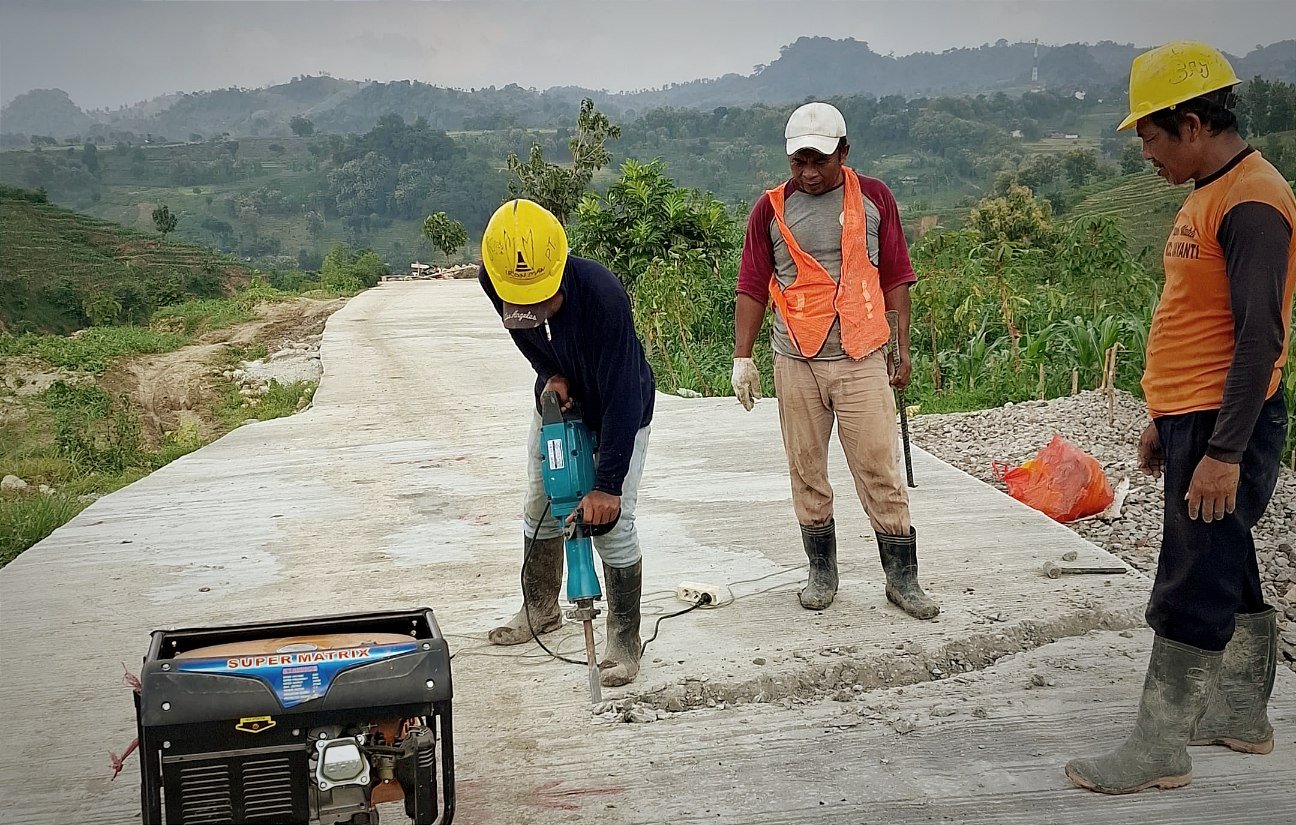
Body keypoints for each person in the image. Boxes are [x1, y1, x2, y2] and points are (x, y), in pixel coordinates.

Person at [1065, 41, 1295, 795]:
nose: (1147, 156)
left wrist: (1223, 449)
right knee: (1224, 555)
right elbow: (1198, 321)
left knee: (1191, 576)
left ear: (1192, 124)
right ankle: (1240, 714)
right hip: (1195, 415)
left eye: (1152, 138)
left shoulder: (1253, 200)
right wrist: (1166, 420)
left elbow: (1260, 336)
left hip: (1227, 420)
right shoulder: (1211, 190)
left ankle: (1159, 744)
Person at [731, 101, 938, 620]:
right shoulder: (770, 210)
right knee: (806, 469)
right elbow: (753, 285)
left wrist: (901, 347)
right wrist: (742, 357)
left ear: (843, 152)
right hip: (795, 359)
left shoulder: (874, 198)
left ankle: (902, 580)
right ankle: (822, 572)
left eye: (819, 161)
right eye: (798, 161)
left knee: (878, 469)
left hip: (862, 355)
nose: (808, 172)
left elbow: (896, 275)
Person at [478, 198, 656, 687]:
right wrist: (550, 372)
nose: (530, 309)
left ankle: (624, 640)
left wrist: (607, 486)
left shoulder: (603, 298)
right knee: (541, 505)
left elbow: (622, 396)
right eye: (522, 302)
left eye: (540, 298)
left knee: (613, 526)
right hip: (561, 404)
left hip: (622, 410)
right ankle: (539, 609)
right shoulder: (493, 278)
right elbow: (523, 333)